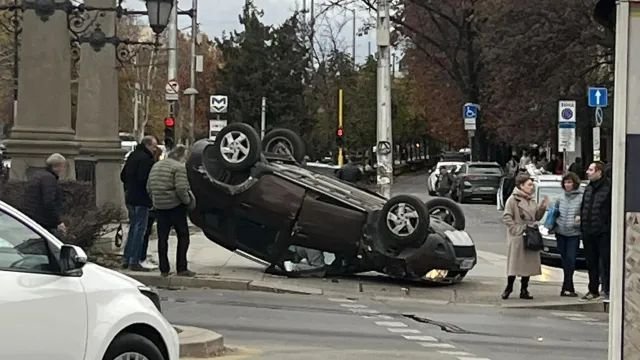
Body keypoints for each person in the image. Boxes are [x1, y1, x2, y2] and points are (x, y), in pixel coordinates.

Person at [147, 145, 196, 277]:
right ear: (181, 156)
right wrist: (188, 202)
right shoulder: (179, 168)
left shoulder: (156, 166)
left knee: (162, 238)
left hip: (159, 206)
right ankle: (182, 267)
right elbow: (181, 189)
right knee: (183, 236)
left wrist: (156, 200)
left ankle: (164, 268)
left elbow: (149, 187)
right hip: (175, 206)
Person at [501, 174, 549, 300]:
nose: (531, 187)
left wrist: (542, 208)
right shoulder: (513, 200)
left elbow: (536, 217)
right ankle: (509, 287)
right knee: (514, 264)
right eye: (529, 185)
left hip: (530, 234)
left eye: (532, 185)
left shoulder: (531, 200)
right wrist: (516, 229)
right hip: (518, 235)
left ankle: (524, 289)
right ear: (521, 186)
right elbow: (506, 216)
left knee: (527, 264)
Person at [120, 135, 157, 271]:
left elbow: (123, 176)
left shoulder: (132, 156)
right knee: (140, 229)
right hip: (141, 198)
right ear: (148, 145)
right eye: (154, 146)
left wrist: (130, 186)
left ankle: (126, 257)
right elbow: (145, 179)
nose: (155, 149)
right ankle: (134, 261)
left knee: (132, 228)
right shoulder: (146, 160)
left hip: (130, 196)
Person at [580, 161, 612, 301]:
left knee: (605, 262)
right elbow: (584, 207)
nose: (588, 172)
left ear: (599, 172)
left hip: (603, 232)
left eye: (591, 170)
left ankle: (607, 289)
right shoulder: (588, 188)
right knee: (591, 262)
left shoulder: (608, 188)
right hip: (588, 231)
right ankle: (593, 289)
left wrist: (606, 226)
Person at [553, 172, 583, 297]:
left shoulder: (581, 197)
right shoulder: (560, 197)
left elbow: (584, 213)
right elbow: (555, 213)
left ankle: (568, 286)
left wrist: (579, 220)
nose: (567, 185)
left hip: (574, 233)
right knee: (565, 260)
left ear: (575, 183)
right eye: (565, 182)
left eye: (570, 182)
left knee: (571, 259)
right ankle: (567, 286)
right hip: (560, 232)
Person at [22, 153, 67, 235]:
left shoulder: (38, 175)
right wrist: (58, 222)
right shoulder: (49, 179)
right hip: (43, 221)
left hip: (33, 218)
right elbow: (49, 202)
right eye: (63, 166)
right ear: (58, 166)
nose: (63, 169)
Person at [140, 144, 164, 270]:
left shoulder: (138, 158)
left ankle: (135, 257)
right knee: (143, 231)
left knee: (141, 230)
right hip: (148, 202)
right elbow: (149, 185)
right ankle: (140, 257)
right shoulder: (151, 164)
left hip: (139, 199)